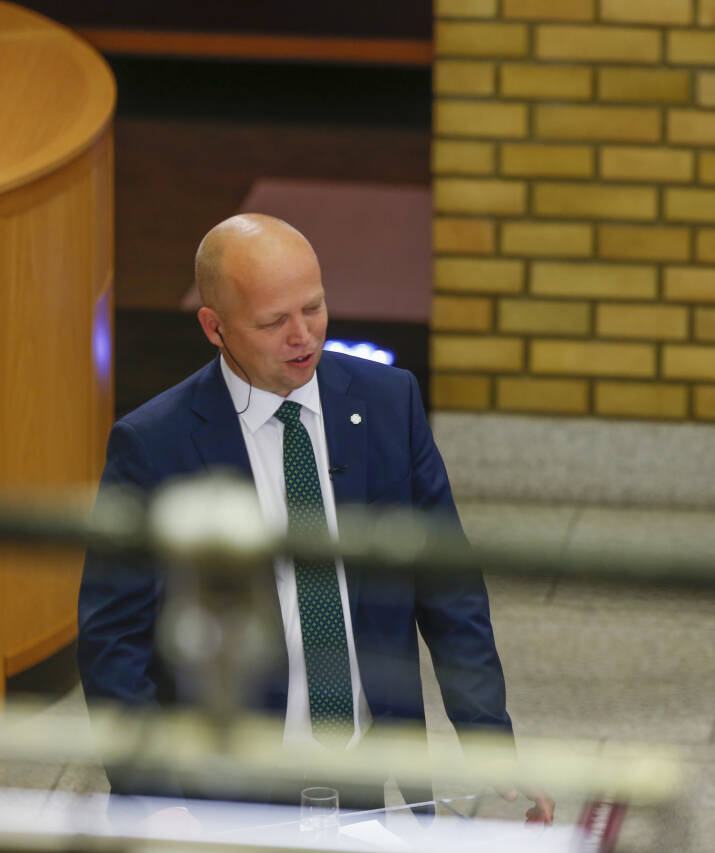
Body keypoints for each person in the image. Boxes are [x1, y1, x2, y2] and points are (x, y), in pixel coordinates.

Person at [78, 214, 552, 823]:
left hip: (359, 773)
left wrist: (489, 736)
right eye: (274, 322)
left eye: (314, 308)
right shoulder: (154, 445)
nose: (303, 336)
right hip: (221, 790)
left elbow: (448, 588)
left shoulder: (389, 404)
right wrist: (156, 797)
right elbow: (113, 642)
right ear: (214, 327)